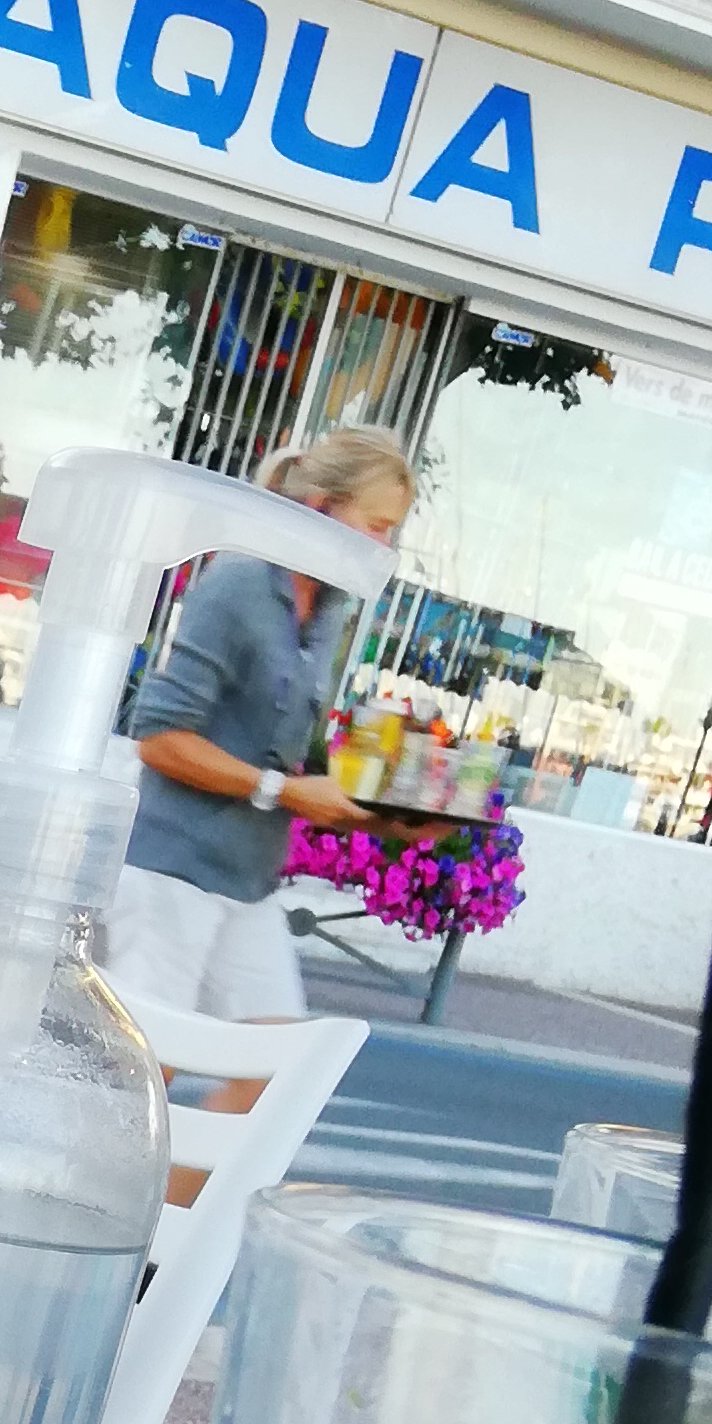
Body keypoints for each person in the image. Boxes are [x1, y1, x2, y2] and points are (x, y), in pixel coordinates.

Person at [104, 424, 417, 1023]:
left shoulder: (329, 608)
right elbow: (158, 739)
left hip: (248, 879)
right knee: (147, 1061)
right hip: (173, 870)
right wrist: (285, 791)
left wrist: (392, 816)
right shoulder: (238, 585)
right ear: (321, 507)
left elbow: (287, 756)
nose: (384, 546)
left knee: (270, 1061)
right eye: (377, 526)